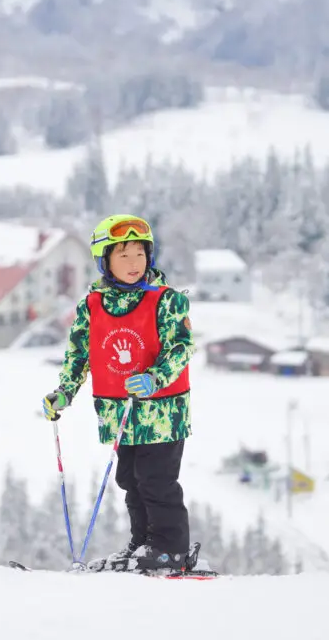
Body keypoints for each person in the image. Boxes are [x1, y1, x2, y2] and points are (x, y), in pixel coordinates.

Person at [42, 214, 195, 572]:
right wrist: (64, 393)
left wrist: (156, 377)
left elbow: (182, 348)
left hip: (161, 410)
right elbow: (79, 355)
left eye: (140, 254)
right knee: (130, 480)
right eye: (123, 255)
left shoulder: (167, 301)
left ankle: (170, 548)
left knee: (156, 480)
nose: (133, 263)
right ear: (105, 260)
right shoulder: (92, 306)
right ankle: (142, 543)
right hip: (118, 412)